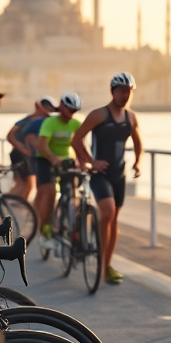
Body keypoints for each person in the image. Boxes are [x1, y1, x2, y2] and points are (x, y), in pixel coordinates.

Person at [72, 73, 144, 285]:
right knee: (108, 212)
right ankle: (102, 260)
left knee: (114, 219)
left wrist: (138, 162)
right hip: (100, 175)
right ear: (112, 92)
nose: (124, 95)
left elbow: (139, 142)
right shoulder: (99, 115)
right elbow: (76, 139)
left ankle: (107, 265)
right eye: (121, 91)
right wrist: (90, 162)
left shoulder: (131, 117)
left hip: (118, 175)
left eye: (128, 92)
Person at [35, 92, 82, 248]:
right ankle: (45, 230)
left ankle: (69, 225)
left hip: (65, 160)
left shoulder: (75, 124)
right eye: (69, 110)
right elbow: (42, 145)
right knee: (50, 192)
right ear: (62, 107)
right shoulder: (50, 122)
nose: (71, 115)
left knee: (71, 194)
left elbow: (81, 144)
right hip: (45, 158)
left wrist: (82, 160)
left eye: (74, 112)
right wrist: (52, 158)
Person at [6, 96, 56, 199]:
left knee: (28, 186)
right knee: (26, 185)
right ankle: (8, 203)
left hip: (34, 157)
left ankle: (13, 204)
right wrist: (21, 148)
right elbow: (10, 135)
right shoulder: (28, 121)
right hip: (22, 156)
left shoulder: (48, 121)